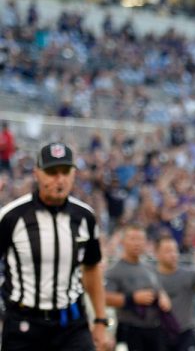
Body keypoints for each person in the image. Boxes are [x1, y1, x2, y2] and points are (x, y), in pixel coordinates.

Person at [0, 142, 108, 351]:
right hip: (24, 323)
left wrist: (100, 320)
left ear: (74, 174)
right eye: (52, 172)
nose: (60, 179)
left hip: (71, 322)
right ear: (37, 173)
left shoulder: (85, 216)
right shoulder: (12, 216)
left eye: (65, 172)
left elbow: (92, 267)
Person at [104, 224, 172, 351]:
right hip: (130, 329)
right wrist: (132, 298)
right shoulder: (114, 270)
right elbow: (105, 298)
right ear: (123, 241)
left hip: (154, 329)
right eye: (133, 239)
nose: (137, 243)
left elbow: (158, 288)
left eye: (141, 239)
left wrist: (163, 297)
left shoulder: (149, 267)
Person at [155, 235, 195, 351]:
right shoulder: (150, 276)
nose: (173, 255)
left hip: (185, 333)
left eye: (175, 250)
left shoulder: (189, 274)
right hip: (158, 332)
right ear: (157, 254)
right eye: (168, 251)